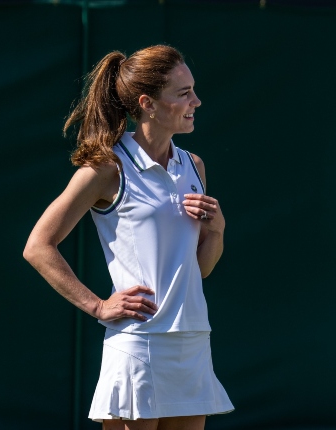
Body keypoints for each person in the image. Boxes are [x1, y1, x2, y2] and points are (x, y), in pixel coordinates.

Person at [23, 45, 233, 430]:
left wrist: (216, 230)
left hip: (192, 342)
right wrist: (98, 306)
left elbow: (200, 269)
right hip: (139, 345)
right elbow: (38, 246)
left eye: (194, 90)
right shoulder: (106, 170)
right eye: (184, 93)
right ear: (148, 104)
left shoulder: (194, 166)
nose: (197, 101)